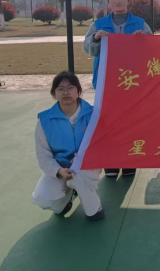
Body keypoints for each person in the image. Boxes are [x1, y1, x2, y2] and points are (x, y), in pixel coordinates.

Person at [83, 0, 151, 178]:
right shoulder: (98, 24)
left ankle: (129, 161)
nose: (117, 1)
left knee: (130, 121)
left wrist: (144, 40)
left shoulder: (140, 24)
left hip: (132, 82)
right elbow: (88, 49)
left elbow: (152, 49)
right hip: (106, 82)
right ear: (108, 2)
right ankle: (110, 162)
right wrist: (96, 38)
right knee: (107, 122)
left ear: (128, 1)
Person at [31, 71, 105, 221]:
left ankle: (94, 208)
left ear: (78, 90)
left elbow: (104, 145)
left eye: (70, 87)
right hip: (60, 167)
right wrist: (58, 171)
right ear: (54, 93)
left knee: (82, 178)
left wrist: (87, 156)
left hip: (87, 166)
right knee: (42, 198)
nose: (65, 92)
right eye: (60, 88)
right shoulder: (45, 120)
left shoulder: (94, 115)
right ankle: (67, 199)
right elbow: (43, 155)